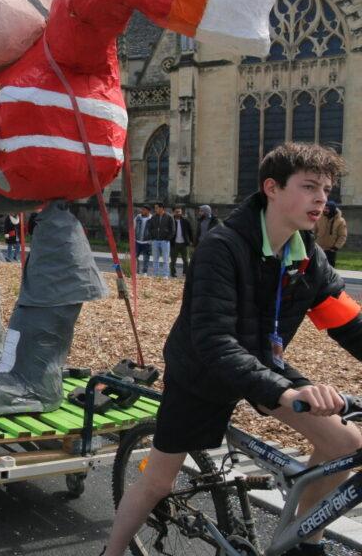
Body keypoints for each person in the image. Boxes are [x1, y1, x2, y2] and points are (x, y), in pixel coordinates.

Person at [104, 143, 362, 556]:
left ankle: (303, 540)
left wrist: (279, 387)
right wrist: (286, 393)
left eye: (327, 190)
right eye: (309, 186)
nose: (321, 199)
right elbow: (213, 341)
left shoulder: (307, 256)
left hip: (262, 364)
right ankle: (112, 550)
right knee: (159, 481)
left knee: (345, 443)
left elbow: (349, 323)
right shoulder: (221, 247)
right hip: (202, 371)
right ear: (271, 188)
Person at [315, 200, 348, 267]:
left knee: (329, 269)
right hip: (319, 248)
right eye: (324, 208)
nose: (324, 210)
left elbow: (342, 236)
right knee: (317, 268)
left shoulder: (340, 221)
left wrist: (336, 247)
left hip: (331, 249)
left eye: (327, 209)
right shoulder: (319, 218)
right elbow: (313, 231)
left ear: (332, 209)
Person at [146, 201, 174, 278]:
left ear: (161, 208)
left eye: (156, 208)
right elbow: (150, 227)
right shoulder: (154, 217)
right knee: (155, 259)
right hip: (155, 241)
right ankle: (155, 274)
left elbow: (172, 230)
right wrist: (152, 237)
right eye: (155, 208)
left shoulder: (169, 217)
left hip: (165, 241)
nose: (155, 209)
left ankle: (165, 275)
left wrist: (167, 239)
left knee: (165, 259)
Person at [169, 206, 193, 278]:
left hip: (184, 244)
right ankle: (173, 273)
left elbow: (190, 231)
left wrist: (191, 241)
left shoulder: (186, 220)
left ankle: (185, 273)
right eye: (177, 212)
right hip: (174, 243)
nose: (178, 213)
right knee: (173, 260)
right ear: (173, 212)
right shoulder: (171, 220)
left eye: (180, 211)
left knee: (186, 260)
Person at [133, 205, 152, 275]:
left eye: (144, 210)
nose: (142, 211)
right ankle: (136, 271)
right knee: (134, 257)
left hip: (147, 242)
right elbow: (133, 227)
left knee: (146, 258)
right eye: (142, 209)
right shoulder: (138, 217)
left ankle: (145, 272)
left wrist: (151, 240)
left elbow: (153, 230)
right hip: (137, 241)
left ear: (148, 211)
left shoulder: (152, 218)